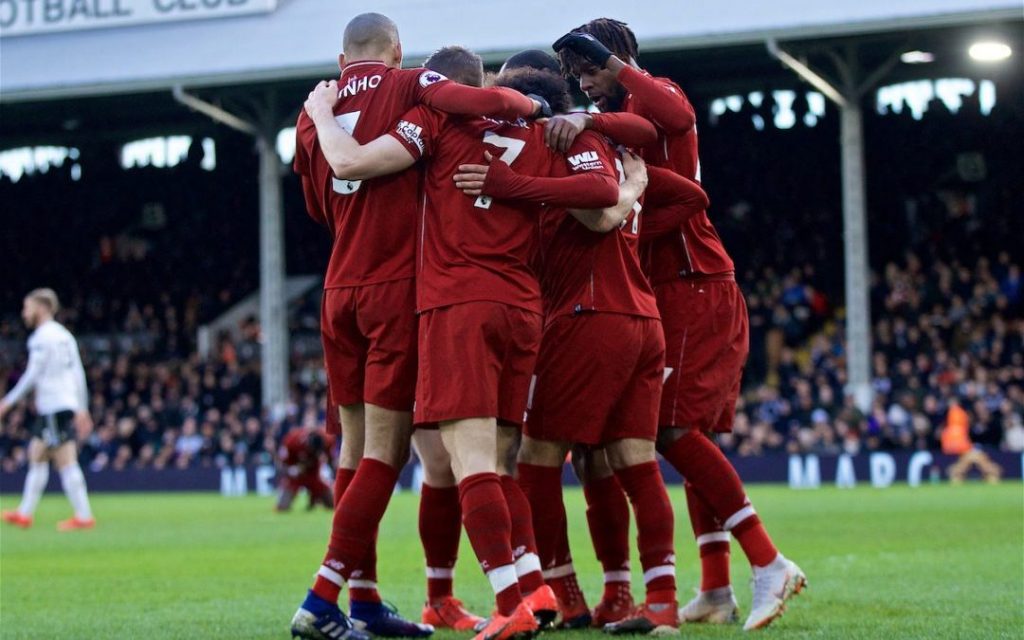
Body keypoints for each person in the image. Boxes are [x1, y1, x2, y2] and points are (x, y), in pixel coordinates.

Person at [302, 47, 639, 640]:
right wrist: (537, 180)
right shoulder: (547, 132)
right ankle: (531, 588)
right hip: (523, 309)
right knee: (497, 460)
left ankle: (495, 600)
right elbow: (603, 198)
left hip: (442, 302)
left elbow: (350, 166)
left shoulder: (435, 120)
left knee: (442, 460)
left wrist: (325, 114)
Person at [290, 13, 549, 640]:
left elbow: (319, 201)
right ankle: (322, 602)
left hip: (338, 286)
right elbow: (473, 100)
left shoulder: (310, 113)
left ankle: (369, 600)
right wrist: (535, 102)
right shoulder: (413, 89)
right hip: (400, 290)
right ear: (399, 52)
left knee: (355, 453)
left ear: (342, 53)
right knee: (388, 452)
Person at [554, 18, 806, 631]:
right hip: (663, 287)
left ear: (617, 60)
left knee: (668, 430)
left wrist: (612, 74)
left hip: (691, 282)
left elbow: (680, 140)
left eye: (590, 69)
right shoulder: (618, 122)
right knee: (690, 437)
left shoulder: (653, 94)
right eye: (579, 76)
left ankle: (769, 562)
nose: (586, 84)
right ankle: (716, 590)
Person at [453, 60, 713, 634]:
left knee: (535, 462)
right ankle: (656, 602)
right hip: (642, 319)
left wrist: (615, 207)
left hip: (584, 318)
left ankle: (564, 595)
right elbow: (692, 196)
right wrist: (635, 200)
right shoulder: (609, 150)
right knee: (628, 462)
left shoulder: (551, 150)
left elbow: (597, 214)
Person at [0, 288, 95, 532]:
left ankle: (84, 516)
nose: (24, 313)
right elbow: (78, 373)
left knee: (64, 459)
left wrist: (8, 402)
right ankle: (25, 513)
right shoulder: (65, 335)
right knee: (37, 454)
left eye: (27, 307)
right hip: (63, 404)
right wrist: (81, 407)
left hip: (53, 405)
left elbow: (33, 374)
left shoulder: (42, 337)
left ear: (41, 308)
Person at [275, 426, 336, 512]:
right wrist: (292, 470)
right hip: (297, 475)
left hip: (314, 474)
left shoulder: (327, 440)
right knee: (282, 507)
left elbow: (331, 460)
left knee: (332, 504)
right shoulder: (293, 440)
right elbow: (282, 462)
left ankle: (315, 500)